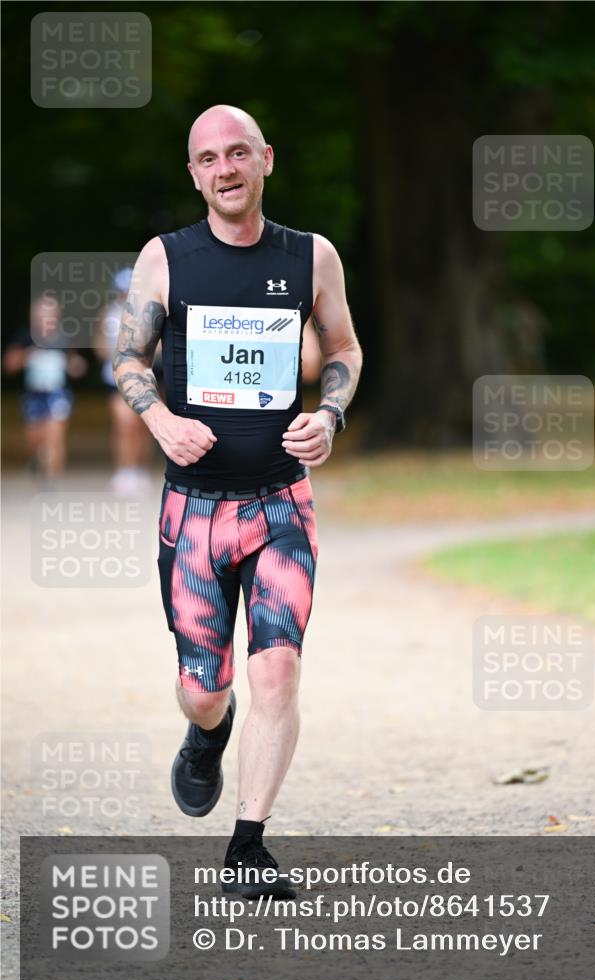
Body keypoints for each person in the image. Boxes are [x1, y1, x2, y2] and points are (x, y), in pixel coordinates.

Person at [112, 105, 362, 898]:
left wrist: (328, 414)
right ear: (194, 174)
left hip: (282, 503)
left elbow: (345, 346)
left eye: (238, 153)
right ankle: (203, 732)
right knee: (204, 686)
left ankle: (248, 844)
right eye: (208, 158)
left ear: (265, 160)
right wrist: (158, 418)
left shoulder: (310, 256)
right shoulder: (167, 258)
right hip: (192, 511)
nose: (225, 168)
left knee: (279, 671)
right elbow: (128, 355)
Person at [4, 293, 86, 485]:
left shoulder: (64, 339)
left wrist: (76, 366)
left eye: (50, 314)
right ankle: (35, 459)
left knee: (55, 434)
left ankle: (51, 479)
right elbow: (9, 365)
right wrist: (27, 355)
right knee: (34, 438)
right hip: (33, 394)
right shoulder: (25, 337)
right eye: (42, 314)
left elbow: (74, 363)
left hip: (58, 393)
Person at [94, 268, 154, 496]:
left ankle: (139, 470)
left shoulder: (149, 314)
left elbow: (157, 348)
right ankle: (123, 470)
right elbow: (99, 346)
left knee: (141, 426)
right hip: (115, 377)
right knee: (122, 424)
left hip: (144, 376)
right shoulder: (108, 313)